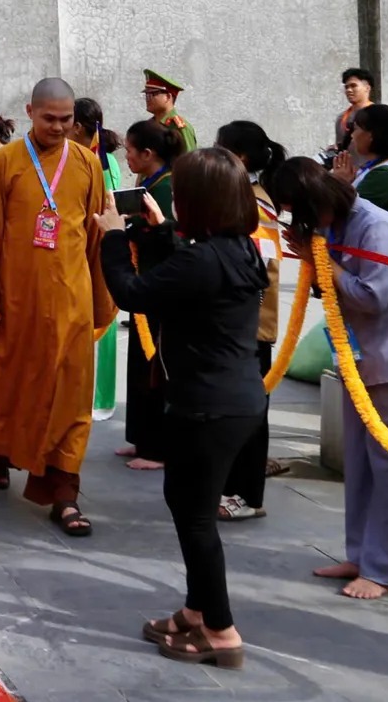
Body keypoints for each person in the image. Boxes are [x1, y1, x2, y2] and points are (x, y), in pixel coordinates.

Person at [96, 148, 267, 669]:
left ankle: (220, 631)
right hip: (235, 400)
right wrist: (158, 231)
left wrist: (111, 234)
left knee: (195, 520)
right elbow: (184, 273)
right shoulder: (239, 249)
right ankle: (196, 612)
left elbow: (133, 292)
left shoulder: (203, 258)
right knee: (187, 505)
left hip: (207, 405)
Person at [266, 156, 388, 599]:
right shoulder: (333, 224)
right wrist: (317, 254)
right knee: (361, 465)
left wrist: (322, 258)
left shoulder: (375, 226)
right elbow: (331, 284)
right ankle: (362, 553)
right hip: (359, 358)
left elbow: (373, 296)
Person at [0, 77, 114, 535]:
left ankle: (64, 492)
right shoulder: (5, 163)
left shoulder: (87, 164)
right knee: (13, 386)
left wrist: (100, 295)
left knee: (70, 395)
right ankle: (0, 451)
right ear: (30, 112)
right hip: (16, 302)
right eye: (50, 119)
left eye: (67, 120)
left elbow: (96, 236)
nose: (60, 127)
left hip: (70, 303)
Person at [214, 120, 291, 522]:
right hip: (236, 325)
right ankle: (229, 487)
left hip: (251, 326)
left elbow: (260, 268)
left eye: (220, 147)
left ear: (240, 157)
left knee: (251, 413)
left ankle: (246, 495)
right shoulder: (238, 196)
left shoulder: (256, 204)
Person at [117, 118, 183, 472]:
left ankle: (157, 448)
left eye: (129, 149)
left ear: (147, 153)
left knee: (155, 367)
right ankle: (140, 437)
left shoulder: (167, 188)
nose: (125, 155)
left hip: (162, 286)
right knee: (140, 365)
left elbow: (166, 233)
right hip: (146, 284)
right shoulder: (150, 182)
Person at [332, 103, 388, 216]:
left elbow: (348, 213)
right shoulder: (376, 166)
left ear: (371, 135)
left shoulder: (386, 174)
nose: (352, 135)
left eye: (356, 129)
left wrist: (340, 183)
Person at [143, 69, 198, 155]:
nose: (148, 99)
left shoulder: (180, 127)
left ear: (168, 97)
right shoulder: (149, 126)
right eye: (146, 95)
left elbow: (189, 162)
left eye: (152, 94)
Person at [332, 67, 376, 154]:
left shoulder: (378, 114)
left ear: (367, 88)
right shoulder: (341, 118)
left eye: (353, 86)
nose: (348, 90)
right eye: (346, 87)